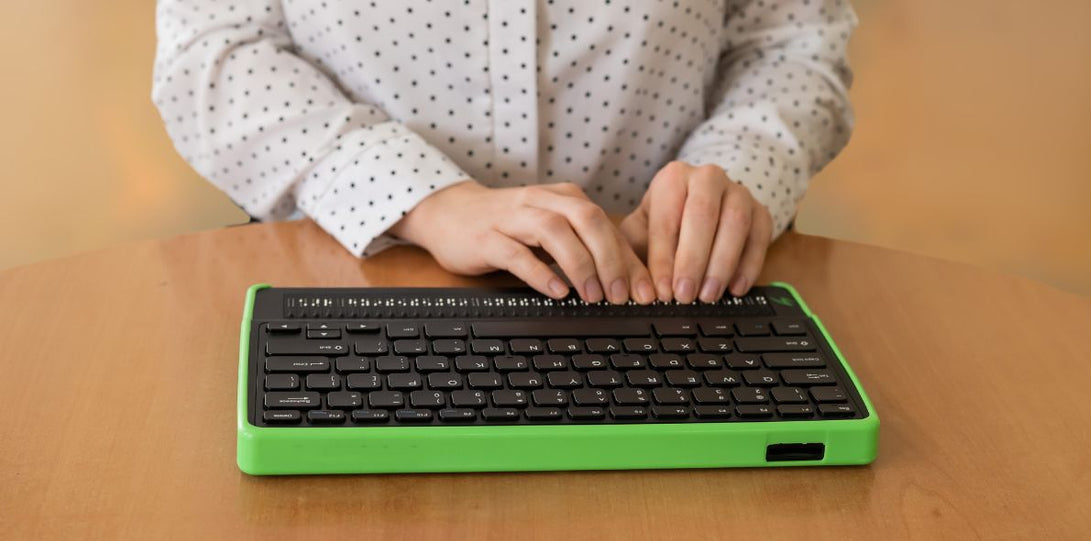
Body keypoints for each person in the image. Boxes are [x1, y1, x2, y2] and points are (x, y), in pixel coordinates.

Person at [153, 0, 855, 304]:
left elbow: (788, 44)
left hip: (664, 284)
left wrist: (730, 174)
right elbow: (212, 52)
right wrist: (427, 201)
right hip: (356, 268)